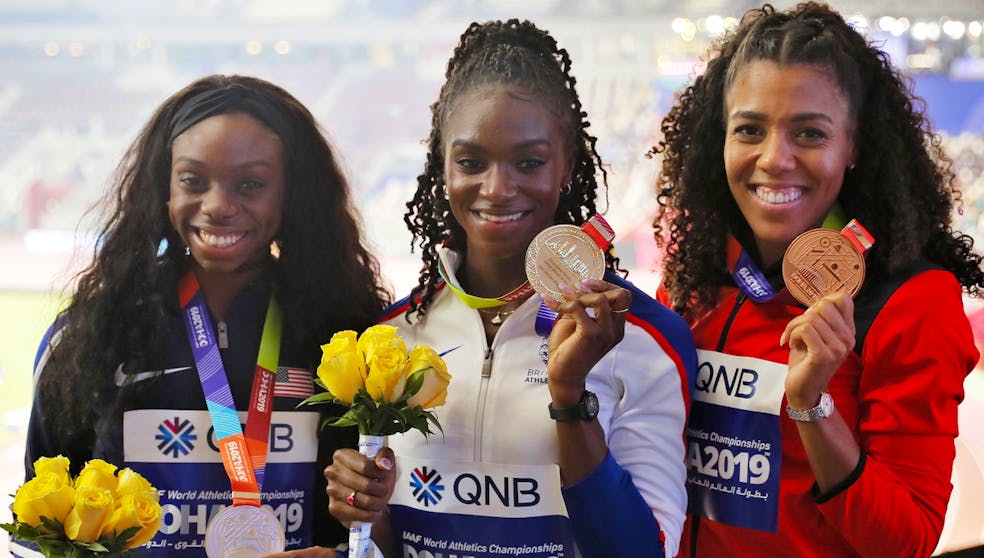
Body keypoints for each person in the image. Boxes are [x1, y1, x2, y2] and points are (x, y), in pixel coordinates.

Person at [323, 18, 697, 558]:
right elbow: (388, 545)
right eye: (471, 162)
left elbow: (645, 551)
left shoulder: (643, 338)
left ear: (566, 166)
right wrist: (367, 512)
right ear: (442, 166)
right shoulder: (389, 339)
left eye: (529, 162)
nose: (497, 188)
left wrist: (570, 399)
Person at [650, 3, 984, 557]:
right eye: (749, 130)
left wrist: (811, 406)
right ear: (721, 139)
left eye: (809, 133)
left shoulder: (910, 302)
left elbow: (907, 541)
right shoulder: (693, 279)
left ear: (853, 145)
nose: (774, 158)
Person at [18, 74, 391, 556]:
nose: (217, 206)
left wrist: (353, 537)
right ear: (163, 188)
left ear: (292, 194)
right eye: (193, 181)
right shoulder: (89, 339)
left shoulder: (345, 338)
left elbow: (373, 529)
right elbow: (39, 530)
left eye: (251, 184)